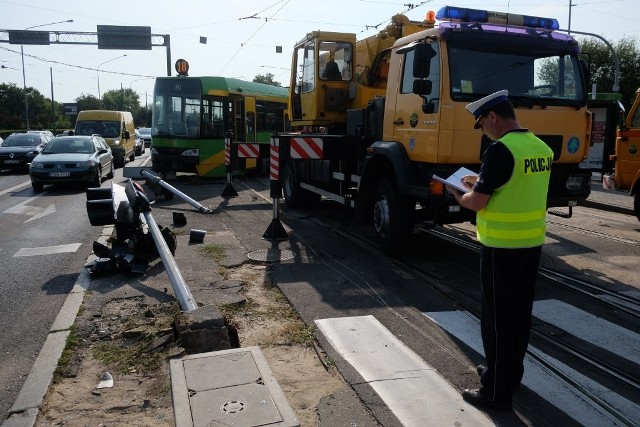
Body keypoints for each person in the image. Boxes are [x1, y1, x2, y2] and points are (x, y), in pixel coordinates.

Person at [446, 89, 553, 412]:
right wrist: (483, 181)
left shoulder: (500, 151)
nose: (483, 130)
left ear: (493, 117)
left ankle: (495, 393)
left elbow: (477, 202)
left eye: (481, 123)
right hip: (530, 247)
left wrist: (457, 194)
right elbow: (515, 186)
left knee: (496, 323)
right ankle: (508, 375)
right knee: (518, 319)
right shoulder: (540, 148)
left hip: (501, 250)